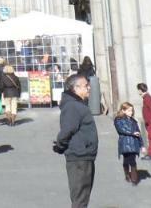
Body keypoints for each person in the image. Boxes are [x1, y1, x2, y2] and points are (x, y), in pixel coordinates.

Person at [53, 74, 98, 208]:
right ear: (75, 88)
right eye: (86, 86)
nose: (89, 88)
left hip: (84, 155)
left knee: (82, 197)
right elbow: (68, 129)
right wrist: (60, 145)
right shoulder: (73, 106)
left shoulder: (77, 104)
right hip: (79, 158)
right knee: (80, 199)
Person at [114, 102, 143, 185]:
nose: (131, 112)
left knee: (133, 161)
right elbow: (121, 129)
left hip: (134, 143)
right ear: (123, 110)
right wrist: (132, 133)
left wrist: (142, 145)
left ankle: (134, 179)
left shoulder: (134, 121)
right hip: (125, 143)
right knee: (126, 160)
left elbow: (138, 133)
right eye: (129, 110)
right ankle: (127, 175)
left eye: (132, 111)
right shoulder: (118, 120)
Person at [138, 83, 151, 159]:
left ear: (140, 90)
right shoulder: (145, 98)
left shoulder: (147, 98)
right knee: (150, 138)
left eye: (138, 90)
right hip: (149, 121)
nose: (138, 92)